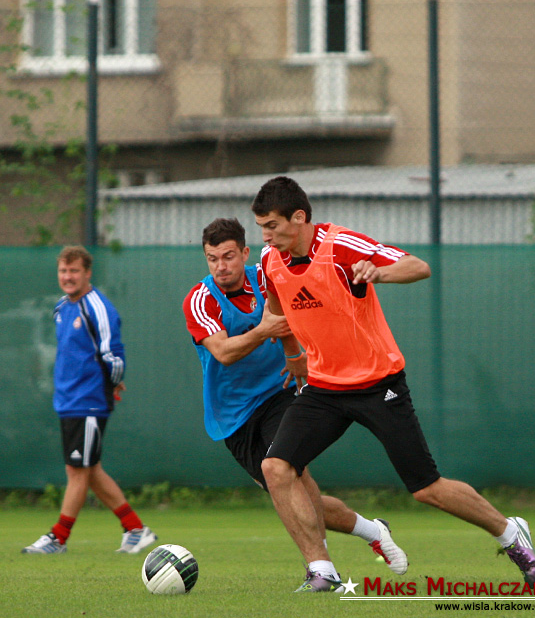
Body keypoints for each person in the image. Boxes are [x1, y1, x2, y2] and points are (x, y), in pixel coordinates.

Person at [251, 175, 535, 592]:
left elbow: (418, 266)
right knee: (276, 467)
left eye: (272, 226)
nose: (265, 236)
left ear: (299, 217)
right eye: (261, 227)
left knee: (426, 488)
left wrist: (380, 274)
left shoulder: (342, 246)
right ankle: (322, 570)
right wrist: (293, 354)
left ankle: (510, 532)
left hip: (377, 385)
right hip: (324, 388)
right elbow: (277, 307)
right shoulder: (270, 259)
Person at [182, 217, 408, 589]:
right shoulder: (200, 299)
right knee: (289, 491)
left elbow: (289, 314)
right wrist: (263, 330)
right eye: (212, 258)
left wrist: (295, 354)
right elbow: (223, 352)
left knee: (286, 471)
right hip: (233, 415)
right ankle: (372, 531)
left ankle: (321, 569)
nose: (221, 266)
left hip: (280, 392)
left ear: (245, 253)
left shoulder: (265, 276)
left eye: (228, 256)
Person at [22, 246, 156, 555]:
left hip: (89, 401)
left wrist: (113, 383)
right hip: (68, 401)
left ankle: (58, 538)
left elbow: (113, 354)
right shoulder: (61, 307)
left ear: (87, 273)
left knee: (77, 471)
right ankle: (136, 529)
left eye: (74, 271)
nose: (68, 277)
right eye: (63, 271)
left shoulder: (97, 307)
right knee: (89, 469)